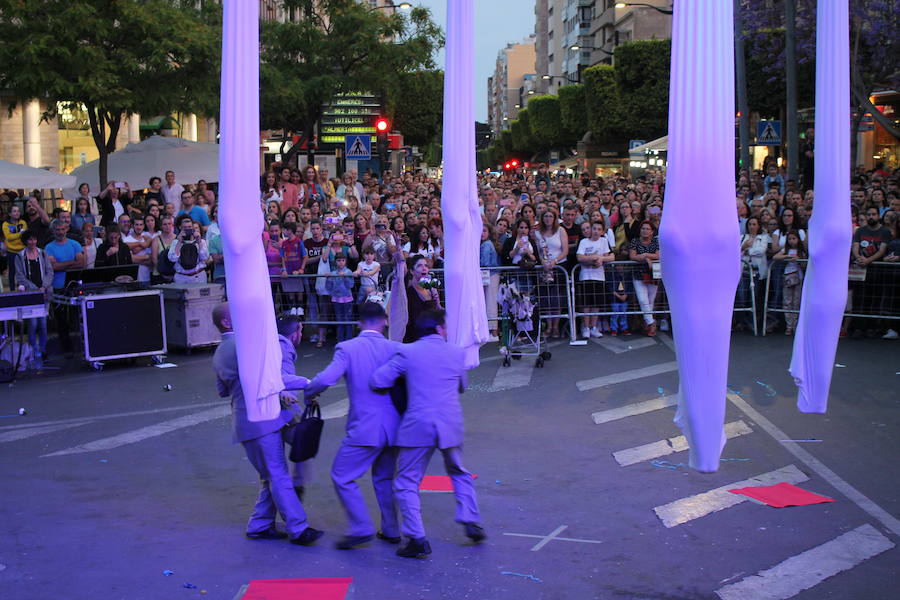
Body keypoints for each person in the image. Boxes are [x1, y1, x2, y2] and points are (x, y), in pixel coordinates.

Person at [370, 309, 485, 559]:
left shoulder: (408, 352)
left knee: (407, 481)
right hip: (450, 422)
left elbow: (378, 379)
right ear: (438, 328)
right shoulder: (456, 352)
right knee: (459, 471)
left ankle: (417, 537)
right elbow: (462, 386)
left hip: (418, 423)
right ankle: (470, 519)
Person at [210, 303, 323, 546]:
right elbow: (271, 377)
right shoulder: (243, 345)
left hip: (246, 422)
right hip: (260, 420)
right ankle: (298, 528)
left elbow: (222, 390)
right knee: (278, 474)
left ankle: (260, 524)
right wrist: (310, 382)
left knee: (270, 475)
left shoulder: (220, 351)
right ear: (227, 323)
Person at [304, 302, 402, 549]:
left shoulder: (347, 348)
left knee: (342, 475)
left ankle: (361, 527)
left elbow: (326, 378)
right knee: (384, 477)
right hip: (394, 427)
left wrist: (309, 393)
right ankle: (391, 529)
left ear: (358, 323)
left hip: (365, 427)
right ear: (385, 321)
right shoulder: (395, 348)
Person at [14, 230, 54, 367]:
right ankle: (32, 351)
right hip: (30, 295)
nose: (32, 242)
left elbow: (50, 271)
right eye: (30, 240)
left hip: (44, 294)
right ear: (26, 241)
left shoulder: (43, 253)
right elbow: (20, 276)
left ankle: (43, 351)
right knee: (33, 324)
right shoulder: (20, 256)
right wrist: (34, 288)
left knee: (42, 324)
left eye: (34, 239)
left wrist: (43, 287)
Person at [43, 219, 84, 356]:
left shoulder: (75, 244)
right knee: (61, 321)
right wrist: (73, 262)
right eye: (57, 230)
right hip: (57, 287)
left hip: (74, 286)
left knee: (79, 318)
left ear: (66, 229)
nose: (60, 232)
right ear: (53, 231)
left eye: (62, 229)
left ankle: (84, 347)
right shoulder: (49, 248)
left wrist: (63, 265)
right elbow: (53, 267)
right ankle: (67, 349)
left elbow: (82, 263)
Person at [576, 221, 615, 339]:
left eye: (599, 229)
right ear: (591, 229)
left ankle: (594, 326)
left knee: (596, 303)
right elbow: (580, 257)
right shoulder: (584, 242)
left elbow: (611, 257)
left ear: (602, 231)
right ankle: (586, 327)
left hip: (599, 276)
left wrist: (601, 258)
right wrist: (593, 258)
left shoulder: (603, 241)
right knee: (586, 303)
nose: (596, 231)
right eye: (594, 229)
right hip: (586, 276)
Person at [628, 221, 660, 336]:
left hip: (654, 273)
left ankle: (647, 324)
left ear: (652, 231)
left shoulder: (656, 242)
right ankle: (651, 322)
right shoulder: (635, 241)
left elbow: (658, 255)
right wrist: (646, 259)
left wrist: (645, 255)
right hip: (638, 273)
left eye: (647, 229)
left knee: (650, 300)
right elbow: (632, 256)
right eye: (643, 228)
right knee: (642, 299)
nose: (645, 231)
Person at [773, 230, 806, 335]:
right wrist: (787, 257)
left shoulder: (801, 251)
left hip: (798, 276)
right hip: (788, 276)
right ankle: (789, 326)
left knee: (796, 302)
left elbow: (805, 264)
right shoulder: (785, 249)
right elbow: (775, 257)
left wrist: (799, 260)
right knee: (787, 301)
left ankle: (796, 325)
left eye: (794, 238)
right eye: (790, 239)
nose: (792, 241)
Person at [403, 255, 440, 343]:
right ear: (412, 271)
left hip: (430, 337)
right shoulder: (409, 292)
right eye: (420, 266)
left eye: (426, 266)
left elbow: (438, 311)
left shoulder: (431, 289)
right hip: (415, 339)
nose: (424, 268)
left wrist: (437, 301)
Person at [168, 217, 209, 283]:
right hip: (181, 277)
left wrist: (199, 241)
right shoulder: (175, 242)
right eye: (185, 227)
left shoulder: (201, 241)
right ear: (180, 228)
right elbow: (172, 259)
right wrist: (179, 242)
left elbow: (204, 257)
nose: (187, 229)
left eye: (189, 227)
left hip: (198, 276)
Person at [326, 253, 355, 342]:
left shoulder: (348, 272)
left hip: (347, 299)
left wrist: (345, 277)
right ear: (335, 262)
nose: (341, 263)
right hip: (336, 299)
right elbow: (328, 288)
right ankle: (340, 340)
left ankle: (349, 339)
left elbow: (351, 285)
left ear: (345, 262)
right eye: (339, 261)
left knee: (348, 319)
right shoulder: (333, 273)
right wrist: (328, 278)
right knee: (339, 320)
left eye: (343, 260)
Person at [2, 204, 27, 290]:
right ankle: (12, 290)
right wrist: (20, 234)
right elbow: (9, 237)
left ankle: (24, 288)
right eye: (14, 211)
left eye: (18, 211)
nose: (17, 213)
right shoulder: (5, 224)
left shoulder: (23, 223)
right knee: (12, 272)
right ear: (10, 214)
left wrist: (17, 235)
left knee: (23, 271)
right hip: (11, 251)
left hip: (23, 251)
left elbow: (25, 237)